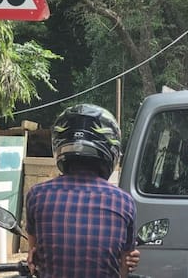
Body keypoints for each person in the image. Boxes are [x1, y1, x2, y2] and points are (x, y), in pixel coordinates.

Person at [25, 104, 139, 277]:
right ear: (111, 147)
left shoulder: (38, 195)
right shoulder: (123, 201)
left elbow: (34, 257)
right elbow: (124, 269)